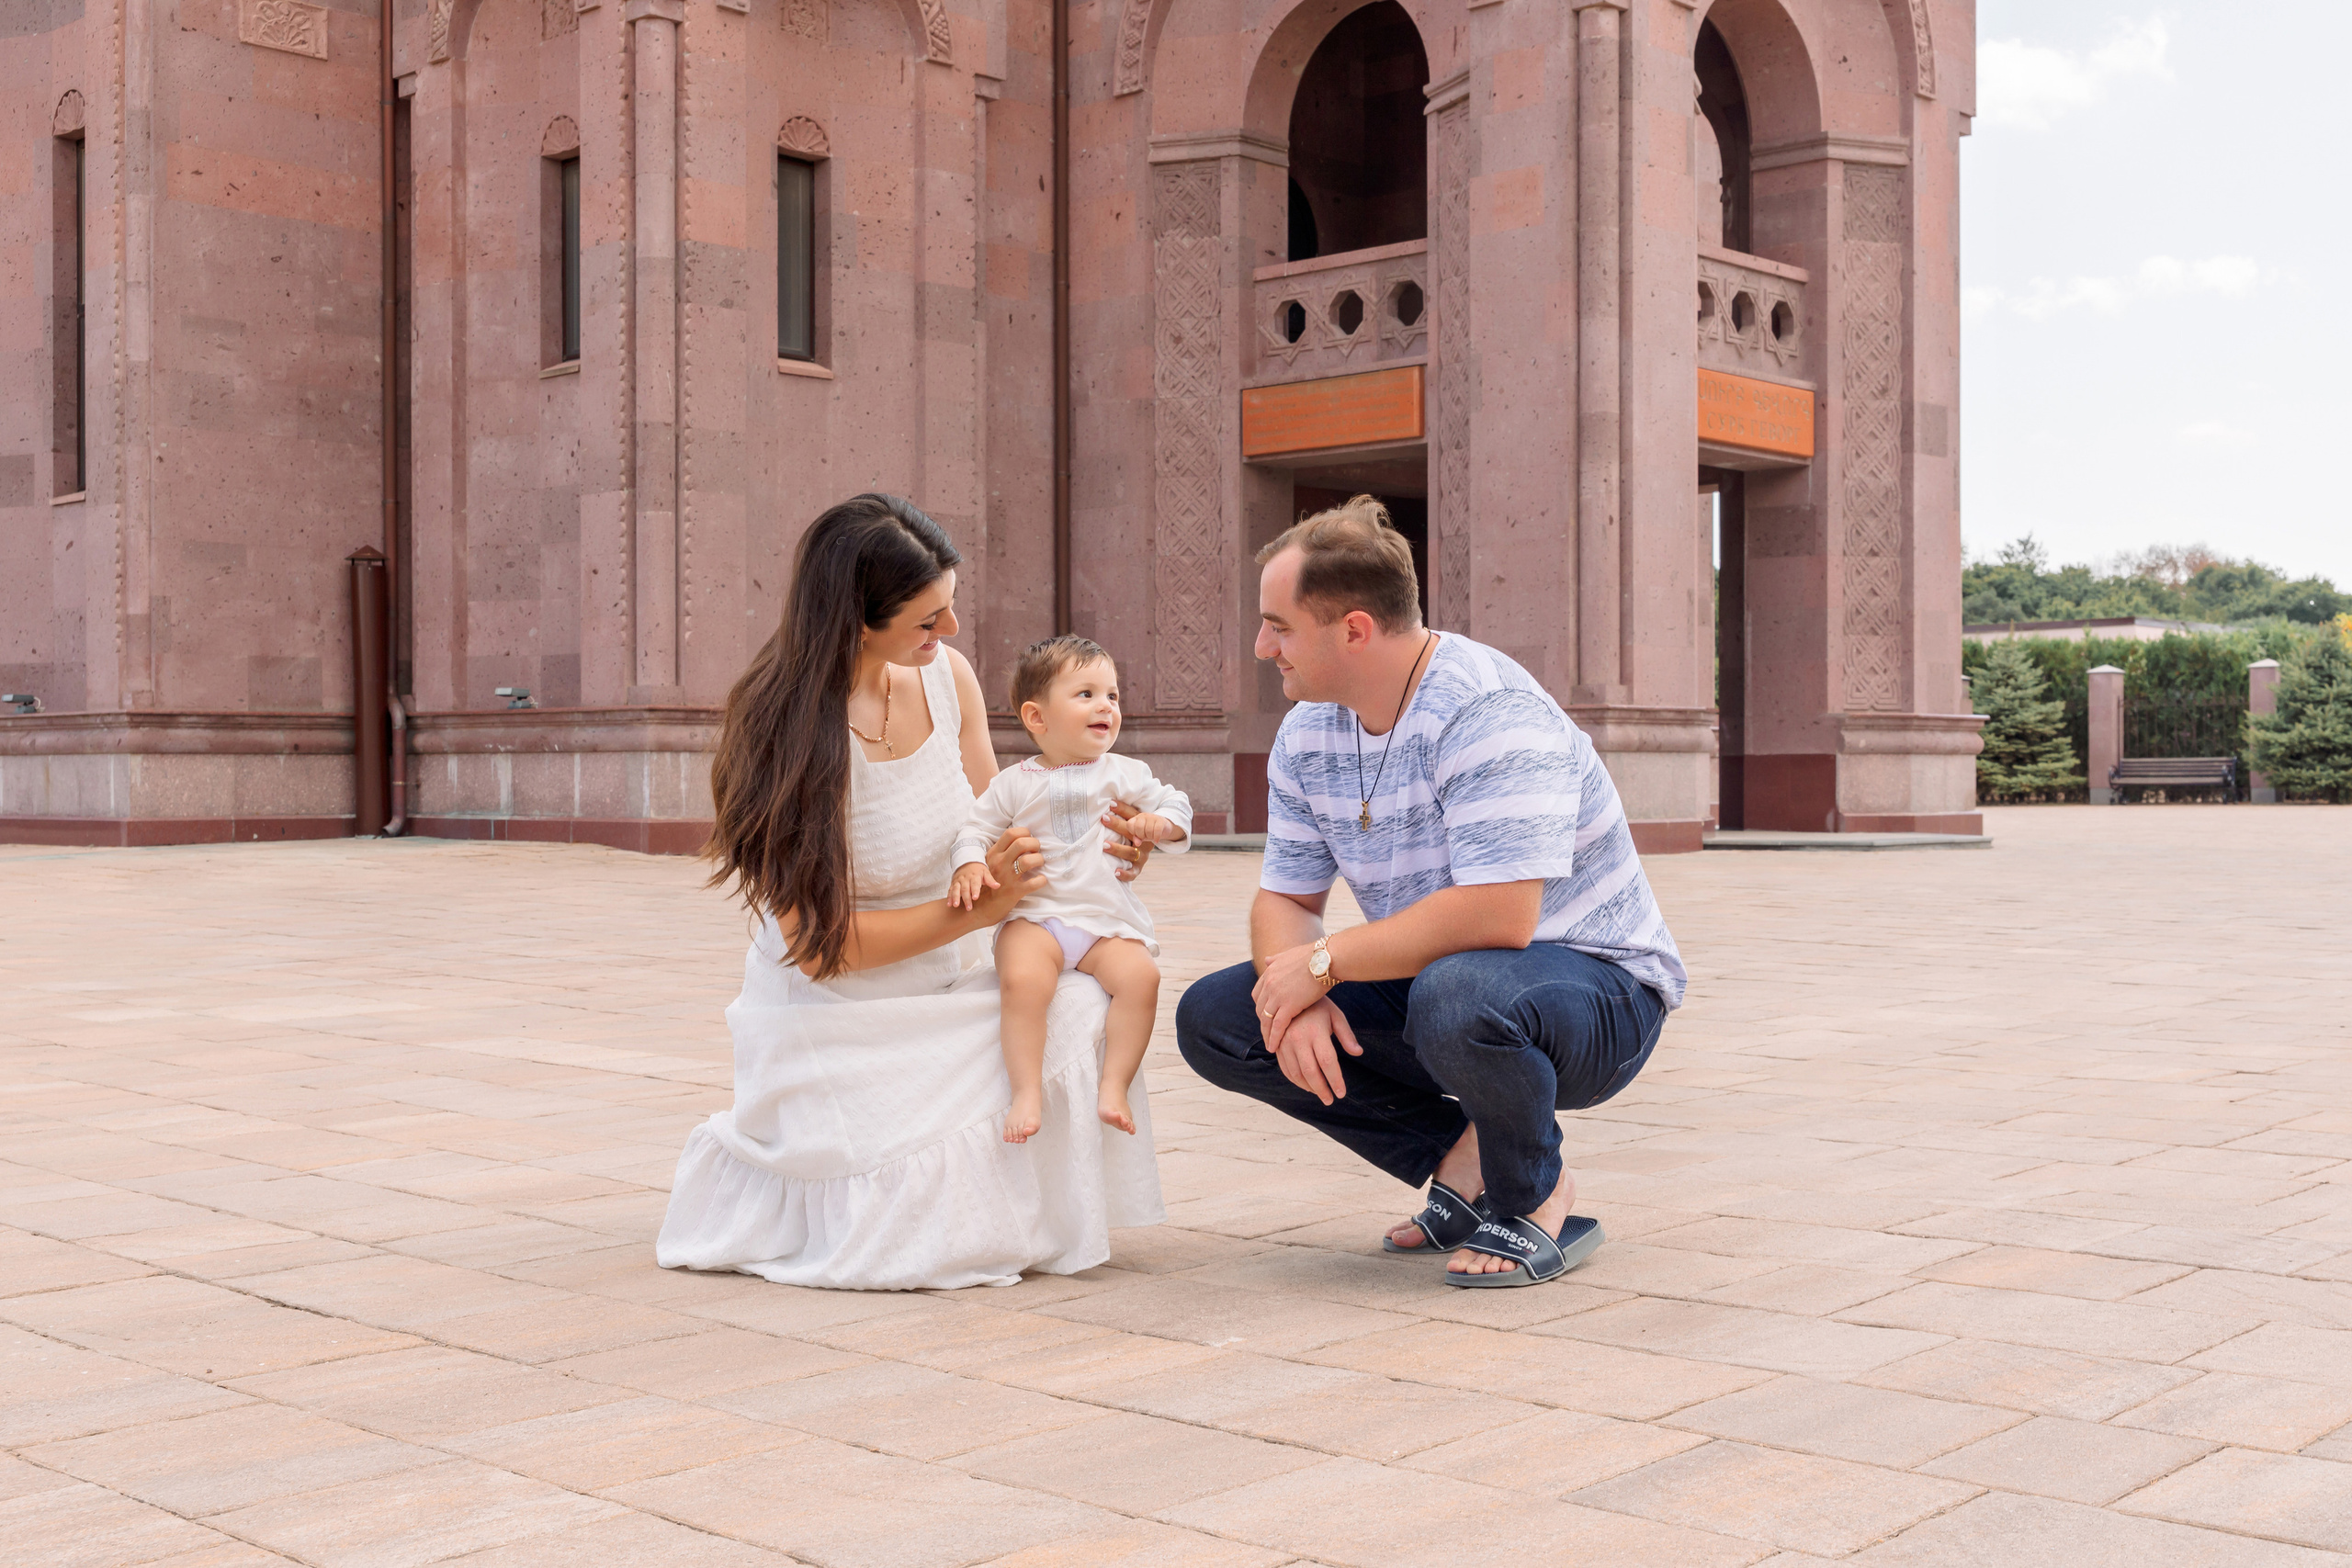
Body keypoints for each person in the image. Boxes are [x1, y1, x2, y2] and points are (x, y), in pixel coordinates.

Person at [656, 493, 1165, 1291]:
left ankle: (1001, 1194)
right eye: (929, 621)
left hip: (941, 990)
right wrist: (990, 909)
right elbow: (823, 952)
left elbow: (1008, 829)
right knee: (900, 1227)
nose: (951, 635)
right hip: (828, 1016)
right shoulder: (780, 726)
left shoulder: (946, 678)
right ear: (858, 620)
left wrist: (1100, 849)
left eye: (949, 612)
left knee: (1089, 996)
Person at [1175, 496, 1686, 1288]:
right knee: (1222, 1018)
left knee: (1457, 995)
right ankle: (1462, 1162)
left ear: (1352, 628)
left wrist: (1321, 965)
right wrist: (1298, 992)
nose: (1260, 644)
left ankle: (1538, 1194)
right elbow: (1286, 898)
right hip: (1452, 979)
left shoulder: (1487, 709)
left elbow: (1500, 913)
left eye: (1278, 624)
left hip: (1595, 988)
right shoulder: (1310, 730)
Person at [951, 637, 1193, 1143]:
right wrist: (970, 863)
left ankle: (1114, 1085)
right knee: (1022, 981)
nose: (1106, 705)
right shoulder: (1015, 783)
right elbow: (974, 829)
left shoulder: (1125, 774)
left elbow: (1176, 804)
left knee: (1141, 979)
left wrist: (1161, 825)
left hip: (1105, 921)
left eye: (1113, 695)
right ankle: (1026, 1092)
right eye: (1085, 694)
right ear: (1037, 718)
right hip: (1037, 917)